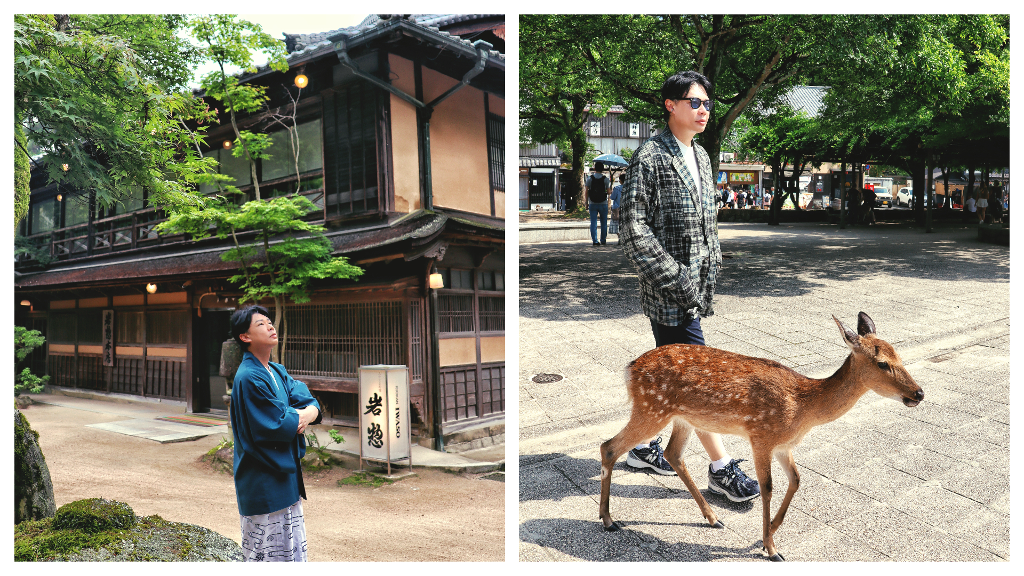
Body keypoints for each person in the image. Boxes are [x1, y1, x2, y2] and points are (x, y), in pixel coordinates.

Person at [619, 69, 760, 503]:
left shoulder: (699, 156)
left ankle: (643, 446)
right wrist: (675, 277)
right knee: (696, 381)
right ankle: (720, 467)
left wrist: (712, 263)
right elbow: (632, 228)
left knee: (680, 376)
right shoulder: (650, 157)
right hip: (669, 292)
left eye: (706, 103)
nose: (704, 110)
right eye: (694, 102)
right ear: (671, 105)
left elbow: (707, 220)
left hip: (698, 288)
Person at [230, 305, 322, 562]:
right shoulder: (249, 377)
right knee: (266, 556)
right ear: (245, 337)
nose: (270, 327)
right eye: (261, 324)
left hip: (286, 478)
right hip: (263, 481)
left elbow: (308, 400)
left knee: (291, 554)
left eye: (270, 322)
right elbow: (279, 424)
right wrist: (302, 416)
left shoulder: (277, 371)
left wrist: (306, 414)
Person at [586, 161, 611, 245]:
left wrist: (586, 203)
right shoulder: (606, 179)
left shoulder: (590, 178)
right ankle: (603, 240)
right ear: (603, 169)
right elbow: (609, 192)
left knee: (593, 222)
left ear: (595, 168)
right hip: (603, 203)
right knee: (604, 223)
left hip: (592, 203)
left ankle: (595, 241)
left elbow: (586, 191)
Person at [609, 173, 624, 238]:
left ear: (620, 180)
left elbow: (612, 197)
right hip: (626, 208)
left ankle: (619, 237)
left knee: (617, 224)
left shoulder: (617, 188)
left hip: (617, 208)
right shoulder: (629, 188)